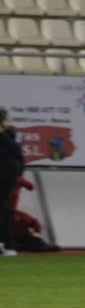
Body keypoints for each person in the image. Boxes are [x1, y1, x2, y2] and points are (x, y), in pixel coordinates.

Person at [0, 107, 24, 257]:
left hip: (7, 176)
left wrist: (1, 133)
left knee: (4, 209)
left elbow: (15, 151)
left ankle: (7, 243)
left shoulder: (10, 134)